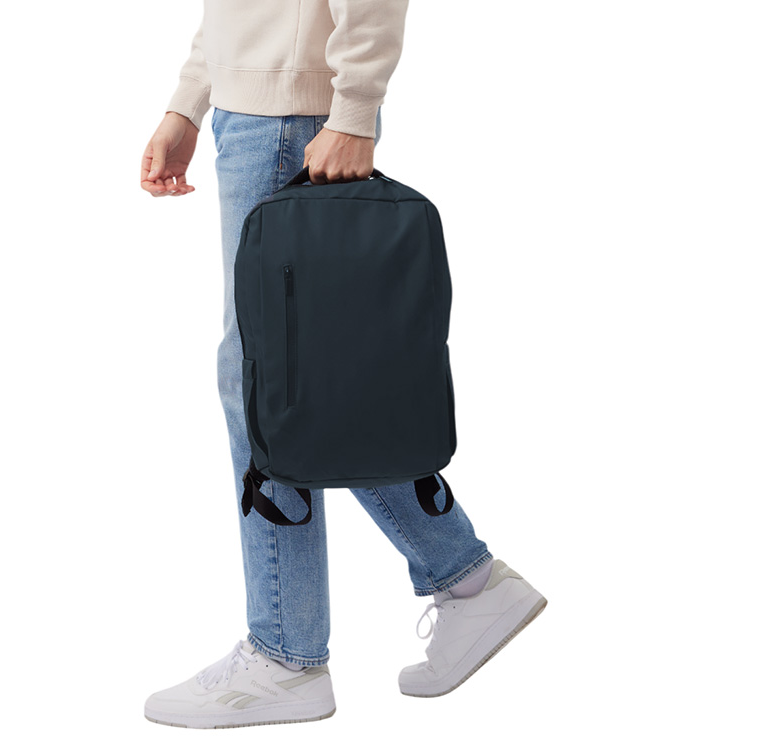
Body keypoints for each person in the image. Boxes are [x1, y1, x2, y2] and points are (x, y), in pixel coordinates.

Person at [139, 1, 546, 729]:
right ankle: (466, 580)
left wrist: (354, 108)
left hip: (289, 119)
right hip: (254, 114)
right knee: (288, 380)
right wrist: (190, 101)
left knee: (274, 384)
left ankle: (287, 655)